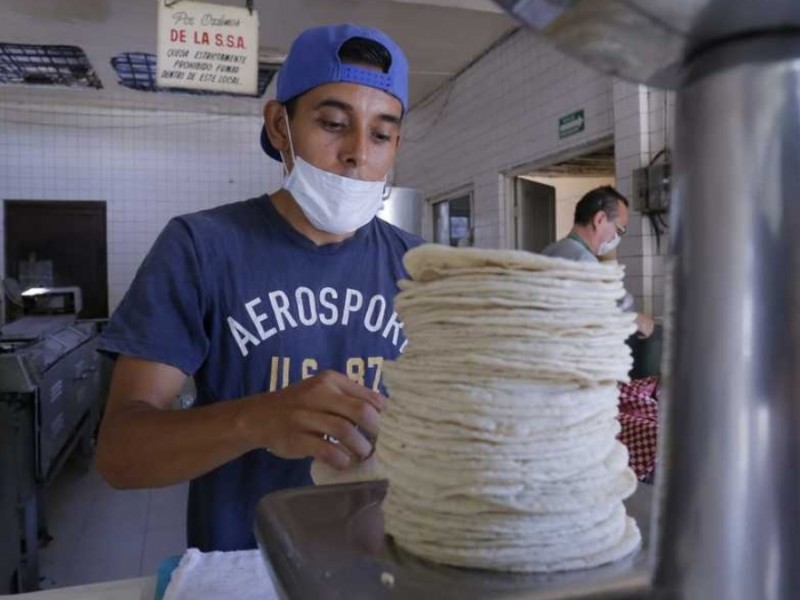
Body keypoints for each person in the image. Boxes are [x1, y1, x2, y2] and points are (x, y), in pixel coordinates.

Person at [95, 23, 423, 552]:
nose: (358, 153)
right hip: (249, 568)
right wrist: (256, 419)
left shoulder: (419, 267)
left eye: (381, 134)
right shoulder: (201, 248)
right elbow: (119, 454)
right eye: (334, 123)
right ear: (278, 126)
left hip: (394, 559)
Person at [542, 186, 655, 338]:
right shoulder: (584, 261)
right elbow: (603, 318)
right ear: (599, 219)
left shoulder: (550, 250)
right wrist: (636, 320)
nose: (617, 238)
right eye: (620, 230)